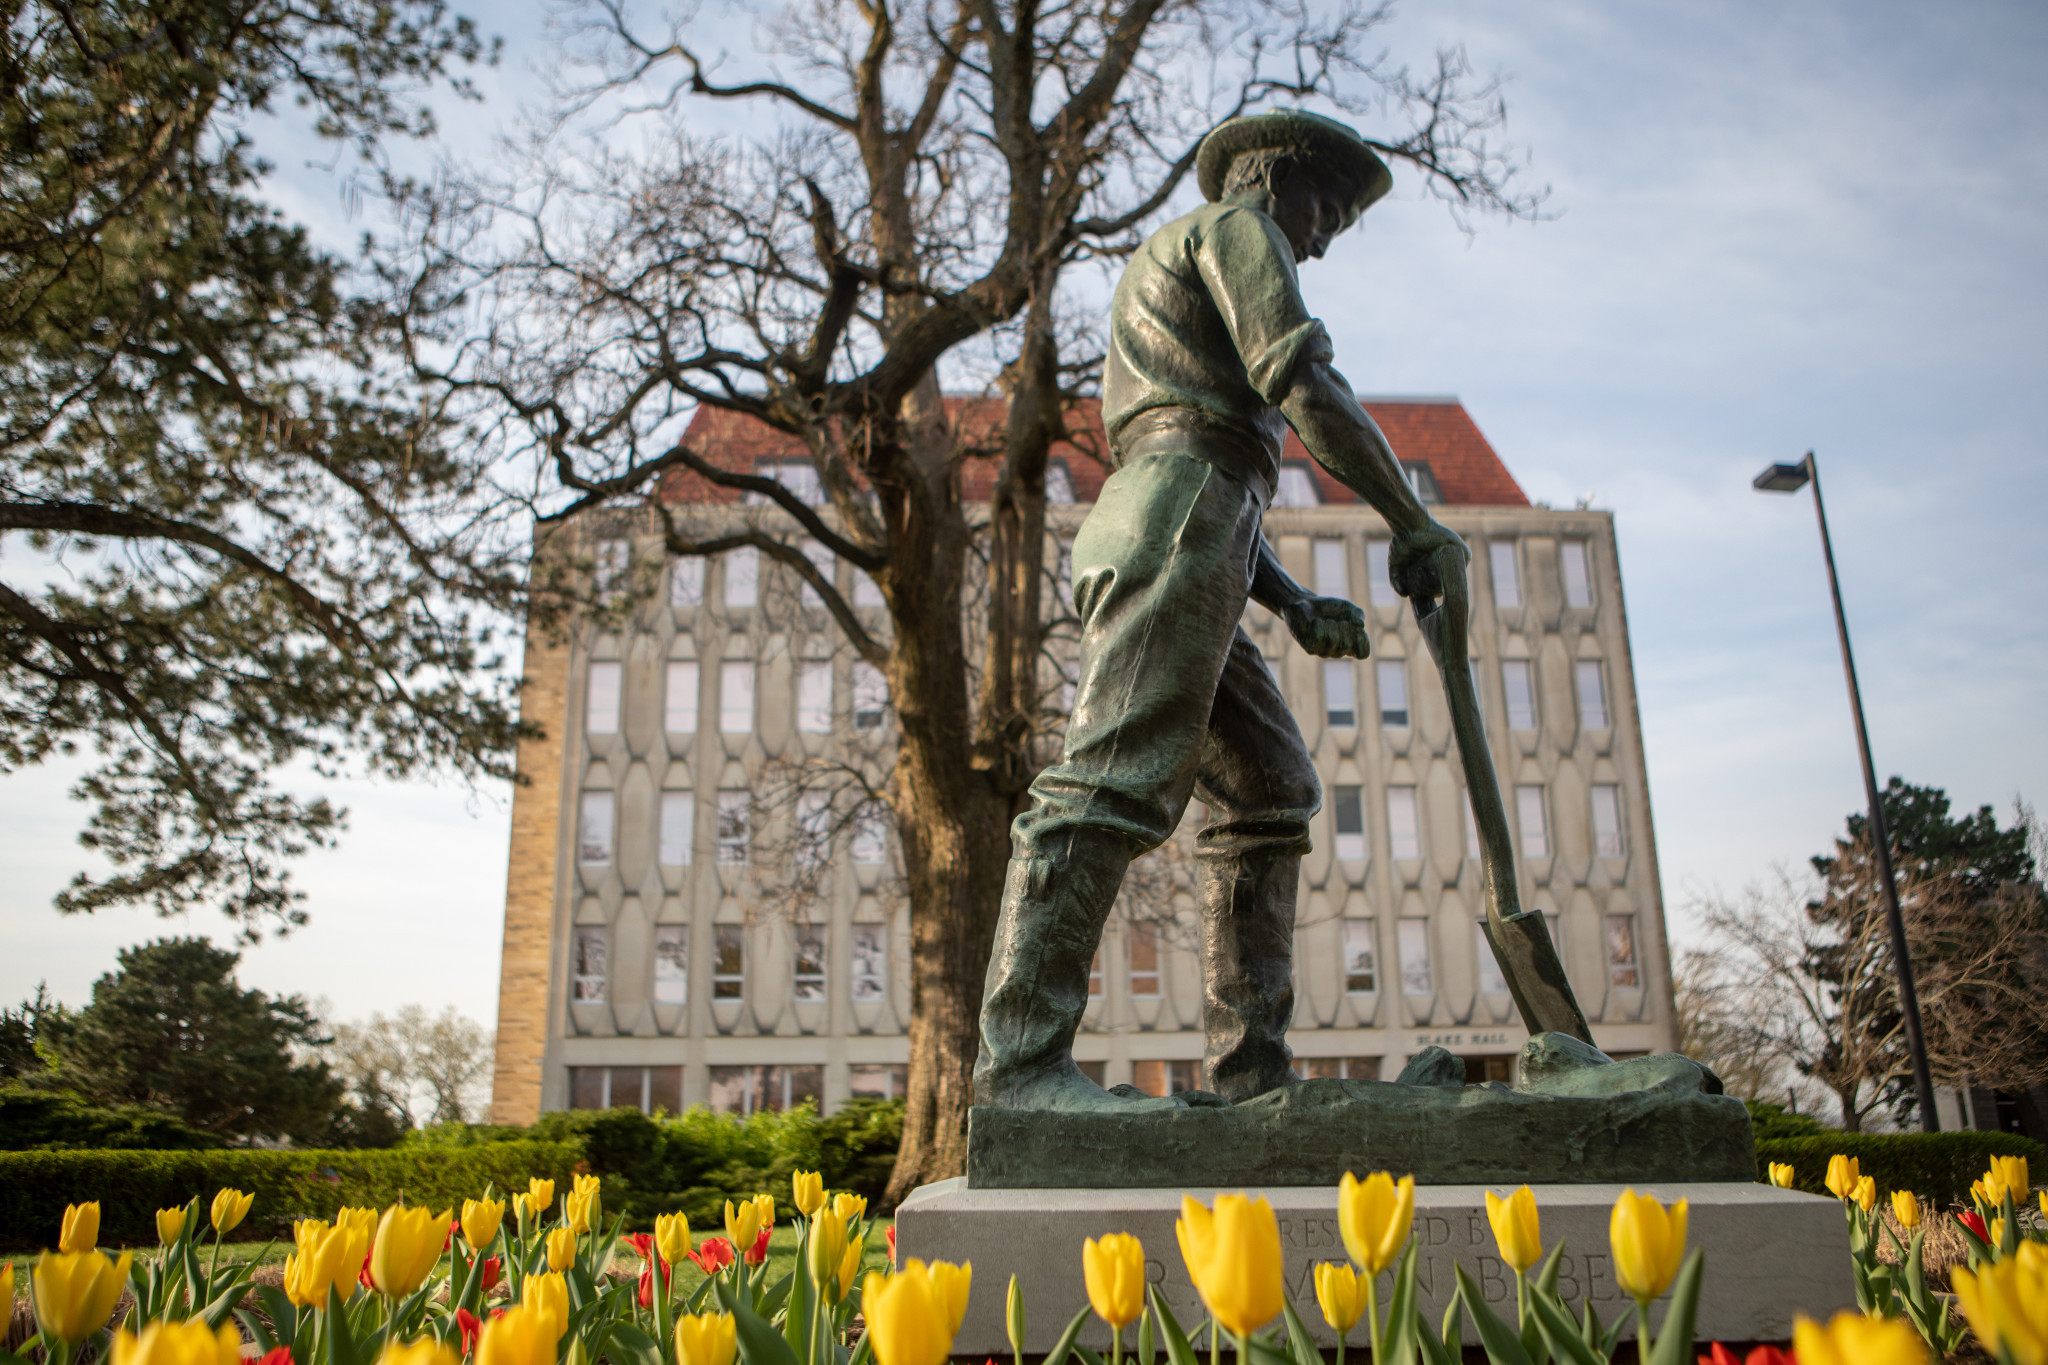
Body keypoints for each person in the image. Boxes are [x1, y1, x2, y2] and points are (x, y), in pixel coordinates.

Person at [973, 109, 1468, 1112]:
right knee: (1112, 779)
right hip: (1180, 513)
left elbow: (1205, 446)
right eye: (1323, 204)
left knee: (1269, 786)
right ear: (1270, 176)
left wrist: (1284, 600)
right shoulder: (1237, 231)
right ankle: (1019, 1070)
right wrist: (1409, 520)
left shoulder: (1180, 260)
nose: (1324, 233)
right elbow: (1296, 380)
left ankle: (1249, 1075)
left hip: (1191, 519)